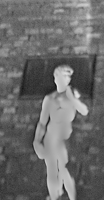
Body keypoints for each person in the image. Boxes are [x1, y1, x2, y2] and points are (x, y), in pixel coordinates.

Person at [33, 64, 88, 200]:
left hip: (65, 137)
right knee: (52, 170)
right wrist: (36, 141)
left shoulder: (72, 94)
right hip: (51, 137)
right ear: (56, 77)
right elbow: (42, 122)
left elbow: (84, 110)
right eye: (64, 76)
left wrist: (72, 98)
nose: (67, 79)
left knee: (66, 170)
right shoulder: (50, 99)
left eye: (68, 76)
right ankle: (54, 197)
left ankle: (72, 197)